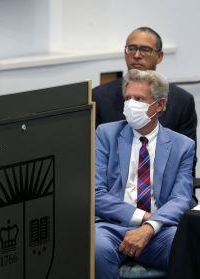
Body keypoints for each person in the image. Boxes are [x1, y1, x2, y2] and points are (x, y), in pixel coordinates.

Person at [95, 69, 194, 279]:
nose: (131, 105)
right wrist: (143, 218)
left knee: (189, 249)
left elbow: (181, 199)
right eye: (128, 98)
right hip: (111, 226)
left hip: (159, 230)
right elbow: (95, 194)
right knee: (97, 250)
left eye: (139, 99)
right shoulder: (105, 134)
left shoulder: (183, 146)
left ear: (159, 105)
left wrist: (150, 226)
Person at [92, 27, 197, 175]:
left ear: (159, 56)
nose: (136, 55)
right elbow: (92, 160)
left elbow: (187, 162)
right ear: (124, 53)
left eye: (145, 50)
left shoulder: (182, 101)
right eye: (131, 48)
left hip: (163, 188)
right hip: (115, 188)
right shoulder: (99, 96)